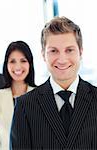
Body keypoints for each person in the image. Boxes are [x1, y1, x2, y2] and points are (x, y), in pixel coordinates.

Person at [10, 16, 97, 149]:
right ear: (43, 55)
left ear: (80, 52)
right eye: (53, 51)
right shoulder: (25, 106)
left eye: (69, 50)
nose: (62, 59)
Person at [0, 40, 36, 150]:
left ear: (30, 64)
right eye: (12, 61)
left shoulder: (43, 97)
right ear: (6, 65)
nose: (18, 66)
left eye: (23, 60)